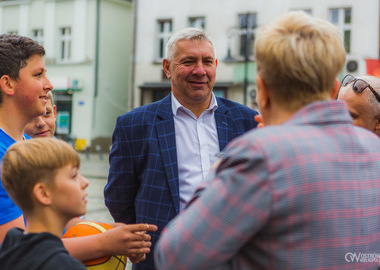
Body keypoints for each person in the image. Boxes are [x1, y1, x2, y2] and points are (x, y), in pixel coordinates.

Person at [154, 11, 380, 269]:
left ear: (262, 90)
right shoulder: (374, 149)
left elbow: (174, 256)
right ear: (333, 89)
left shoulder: (262, 156)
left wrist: (222, 165)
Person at [105, 27, 258, 269]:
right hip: (160, 259)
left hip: (232, 257)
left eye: (207, 61)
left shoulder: (247, 121)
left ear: (215, 65)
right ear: (167, 67)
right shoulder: (134, 125)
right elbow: (119, 198)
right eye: (188, 62)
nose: (200, 70)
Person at [0, 34, 157, 264]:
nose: (49, 84)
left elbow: (53, 225)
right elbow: (16, 250)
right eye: (38, 74)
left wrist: (107, 230)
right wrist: (105, 242)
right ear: (8, 84)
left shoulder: (25, 144)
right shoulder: (5, 156)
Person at [0, 138, 88, 269]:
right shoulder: (65, 266)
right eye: (74, 175)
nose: (85, 182)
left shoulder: (10, 248)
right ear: (43, 194)